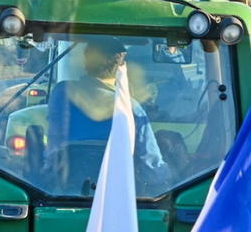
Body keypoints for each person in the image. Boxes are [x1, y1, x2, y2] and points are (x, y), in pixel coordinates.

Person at [45, 38, 167, 185]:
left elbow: (53, 142)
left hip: (60, 190)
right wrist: (173, 178)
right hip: (114, 193)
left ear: (85, 62)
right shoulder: (131, 108)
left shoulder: (62, 93)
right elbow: (150, 163)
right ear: (121, 66)